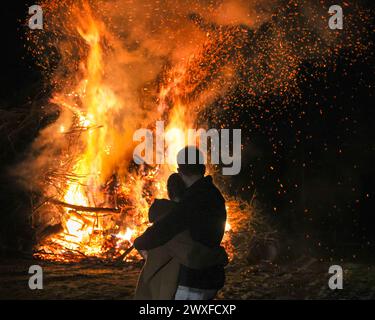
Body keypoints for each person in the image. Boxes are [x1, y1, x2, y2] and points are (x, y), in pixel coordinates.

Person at [134, 146, 227, 300]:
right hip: (211, 277)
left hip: (193, 280)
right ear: (203, 168)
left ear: (180, 171)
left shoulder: (192, 199)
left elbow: (165, 228)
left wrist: (139, 242)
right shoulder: (215, 195)